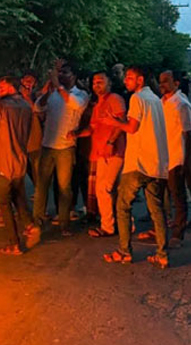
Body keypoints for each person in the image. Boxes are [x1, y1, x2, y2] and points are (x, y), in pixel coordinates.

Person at [101, 66, 169, 268]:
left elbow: (132, 127)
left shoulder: (137, 99)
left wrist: (113, 123)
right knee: (157, 210)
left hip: (139, 163)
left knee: (122, 206)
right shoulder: (156, 100)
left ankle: (124, 251)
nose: (126, 81)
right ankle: (162, 253)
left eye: (130, 78)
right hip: (157, 164)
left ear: (140, 80)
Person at [32, 60, 89, 236]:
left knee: (64, 187)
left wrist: (58, 86)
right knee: (41, 185)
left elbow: (74, 104)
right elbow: (38, 107)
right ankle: (37, 220)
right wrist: (49, 89)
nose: (62, 76)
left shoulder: (81, 94)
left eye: (66, 73)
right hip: (47, 145)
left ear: (74, 77)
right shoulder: (55, 93)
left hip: (65, 147)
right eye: (61, 73)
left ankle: (64, 223)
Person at [0, 76, 37, 255]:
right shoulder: (25, 106)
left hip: (3, 160)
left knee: (4, 203)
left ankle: (14, 243)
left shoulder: (2, 106)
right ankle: (30, 225)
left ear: (11, 86)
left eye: (1, 86)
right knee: (18, 196)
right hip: (19, 160)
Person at [73, 71, 126, 238]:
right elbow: (93, 128)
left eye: (100, 82)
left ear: (109, 83)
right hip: (100, 152)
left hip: (113, 151)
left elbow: (121, 122)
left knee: (104, 189)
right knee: (104, 190)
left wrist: (111, 142)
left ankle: (109, 227)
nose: (97, 85)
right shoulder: (98, 104)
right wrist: (76, 134)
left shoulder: (115, 99)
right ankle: (115, 223)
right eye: (95, 82)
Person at [159, 70, 191, 246]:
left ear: (176, 83)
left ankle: (178, 234)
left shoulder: (181, 104)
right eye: (161, 82)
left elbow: (188, 134)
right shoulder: (162, 103)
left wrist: (187, 161)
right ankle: (162, 229)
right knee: (161, 196)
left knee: (178, 197)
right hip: (162, 157)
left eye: (166, 81)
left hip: (176, 157)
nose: (162, 85)